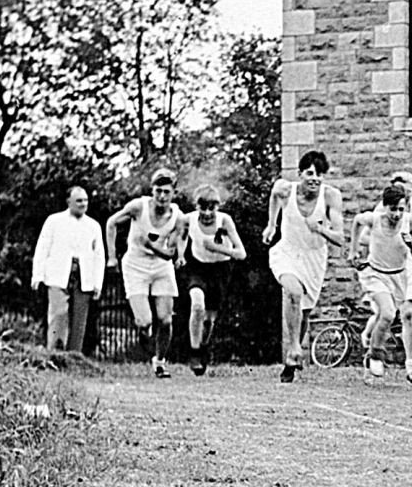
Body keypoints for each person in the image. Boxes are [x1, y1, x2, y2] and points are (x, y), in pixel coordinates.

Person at [263, 150, 344, 383]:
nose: (315, 179)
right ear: (299, 174)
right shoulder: (286, 188)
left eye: (320, 175)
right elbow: (274, 195)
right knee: (293, 292)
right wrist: (271, 225)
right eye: (310, 173)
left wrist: (320, 229)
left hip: (314, 257)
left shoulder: (330, 196)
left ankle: (291, 360)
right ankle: (295, 346)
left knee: (304, 312)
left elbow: (339, 238)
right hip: (287, 251)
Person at [106, 168, 184, 379]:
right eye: (158, 191)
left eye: (166, 192)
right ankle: (144, 330)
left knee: (166, 320)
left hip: (161, 266)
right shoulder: (138, 207)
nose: (161, 196)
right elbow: (111, 223)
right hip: (135, 265)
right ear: (152, 190)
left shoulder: (177, 217)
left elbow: (171, 251)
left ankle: (159, 362)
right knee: (144, 321)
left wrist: (166, 251)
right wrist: (112, 256)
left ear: (173, 193)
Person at [348, 184, 412, 380]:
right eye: (393, 209)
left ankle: (374, 354)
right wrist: (353, 249)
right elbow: (357, 221)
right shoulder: (375, 219)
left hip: (399, 276)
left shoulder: (410, 222)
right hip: (376, 274)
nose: (397, 214)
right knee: (387, 313)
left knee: (401, 315)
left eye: (401, 209)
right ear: (385, 207)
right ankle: (375, 354)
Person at [176, 184, 246, 376]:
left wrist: (219, 249)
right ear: (196, 206)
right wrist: (181, 255)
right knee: (197, 305)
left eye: (211, 208)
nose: (207, 213)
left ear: (218, 206)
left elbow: (241, 253)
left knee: (209, 321)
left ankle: (203, 347)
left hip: (220, 270)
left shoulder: (225, 221)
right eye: (202, 208)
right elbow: (181, 238)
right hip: (197, 268)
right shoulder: (188, 219)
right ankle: (194, 352)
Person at [31, 186, 105, 352]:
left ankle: (73, 357)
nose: (83, 204)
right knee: (58, 314)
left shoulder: (93, 226)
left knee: (80, 319)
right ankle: (54, 353)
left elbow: (99, 256)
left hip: (83, 275)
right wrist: (38, 275)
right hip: (58, 273)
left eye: (85, 200)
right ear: (68, 201)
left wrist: (97, 283)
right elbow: (42, 248)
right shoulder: (54, 221)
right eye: (79, 200)